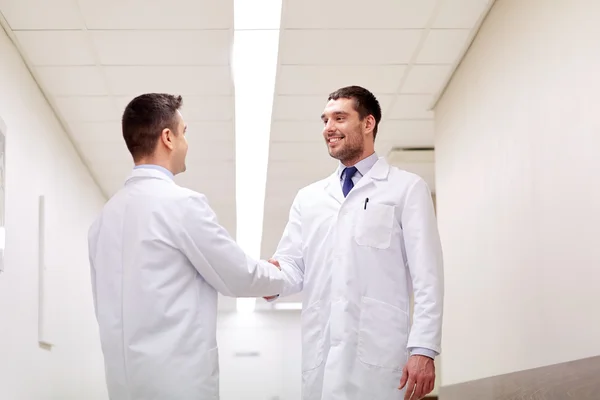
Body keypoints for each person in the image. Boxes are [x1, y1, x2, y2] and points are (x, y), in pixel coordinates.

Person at [87, 93, 284, 400]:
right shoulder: (181, 204)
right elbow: (238, 275)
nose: (186, 143)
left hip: (123, 388)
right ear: (168, 137)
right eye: (184, 133)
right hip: (178, 387)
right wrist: (278, 278)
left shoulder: (103, 220)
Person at [266, 86, 444, 400]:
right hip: (322, 354)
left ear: (368, 123)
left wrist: (423, 349)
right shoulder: (309, 198)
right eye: (324, 120)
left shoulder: (406, 189)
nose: (328, 128)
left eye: (339, 118)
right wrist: (268, 279)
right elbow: (292, 267)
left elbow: (427, 275)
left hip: (380, 354)